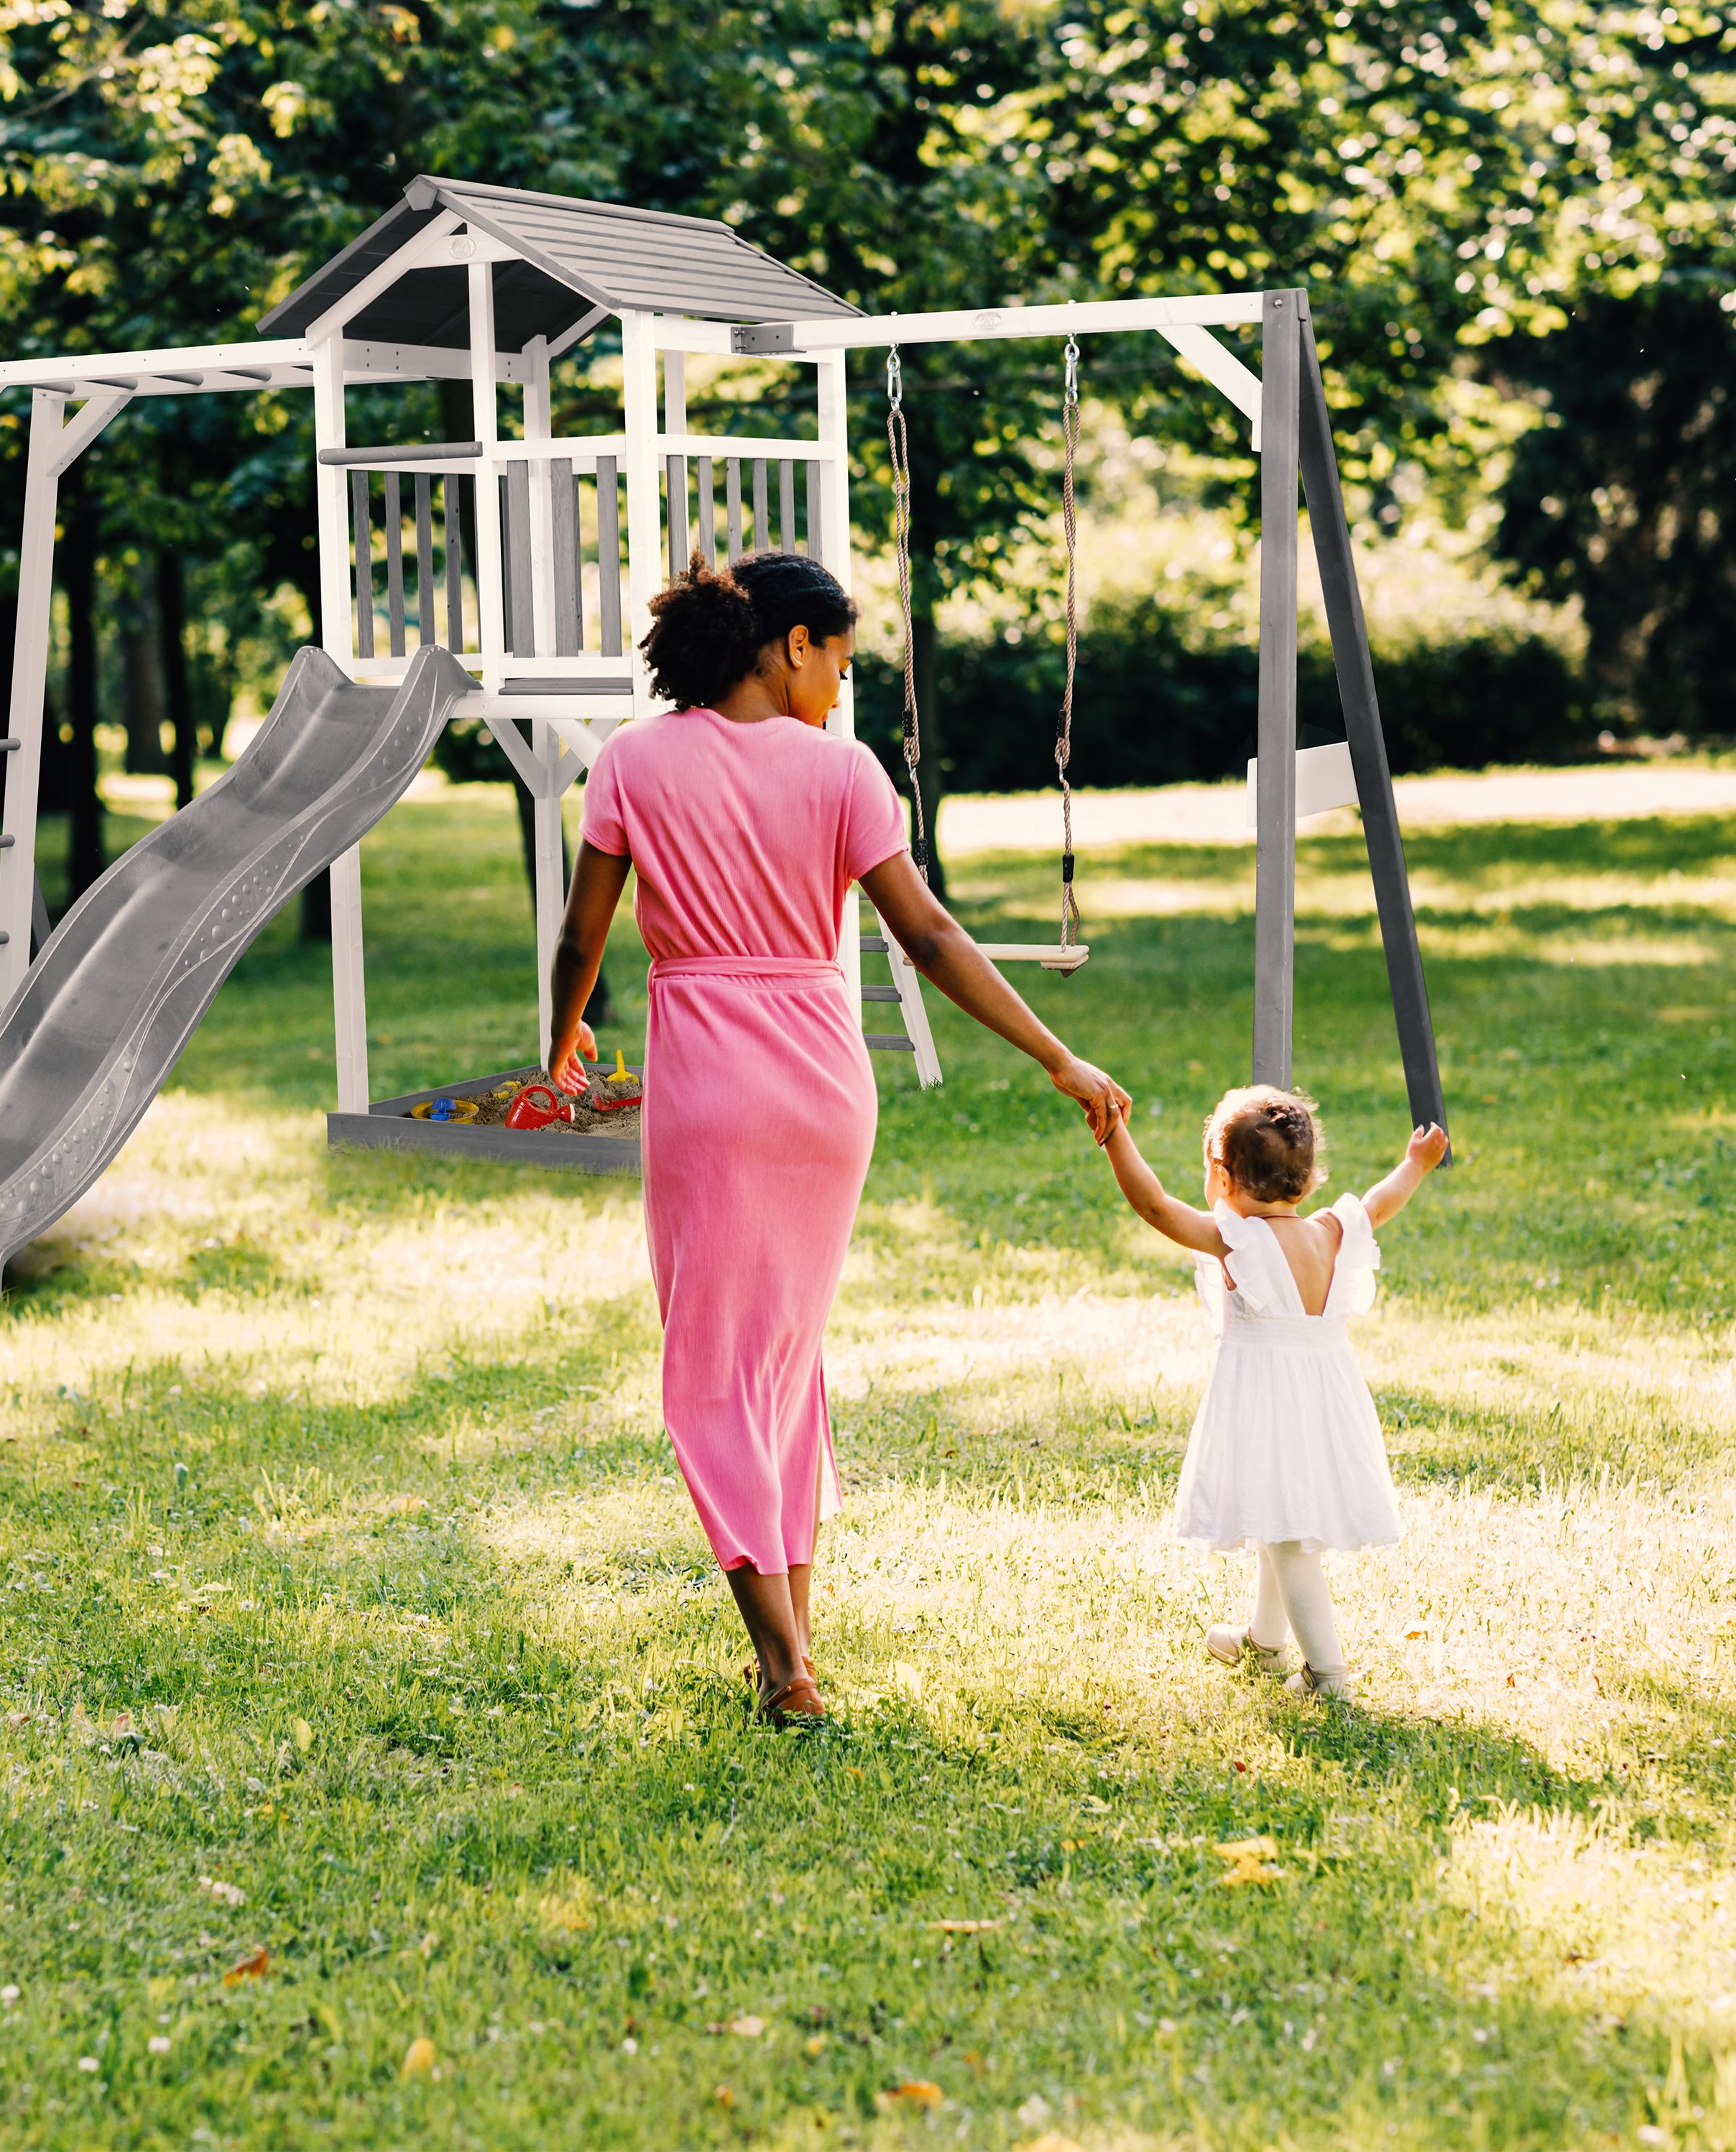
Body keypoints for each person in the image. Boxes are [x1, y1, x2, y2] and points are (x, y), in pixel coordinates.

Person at [545, 551, 1131, 1727]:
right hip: (824, 1088)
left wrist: (559, 1043)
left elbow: (581, 937)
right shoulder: (845, 772)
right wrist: (1055, 1054)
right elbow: (933, 938)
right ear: (792, 645)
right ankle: (794, 1645)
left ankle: (784, 1668)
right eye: (842, 664)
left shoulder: (631, 763)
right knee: (781, 1361)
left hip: (710, 1088)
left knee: (714, 1373)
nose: (841, 689)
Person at [1096, 1086, 1449, 1700]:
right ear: (1306, 1180)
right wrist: (1414, 1164)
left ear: (1223, 1176)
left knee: (1288, 1540)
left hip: (1269, 1406)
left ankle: (1328, 1676)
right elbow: (1380, 1201)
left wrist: (1114, 1134)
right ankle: (1264, 1643)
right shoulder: (1331, 1231)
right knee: (1277, 1516)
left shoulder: (1238, 1240)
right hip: (1326, 1404)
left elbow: (1153, 1205)